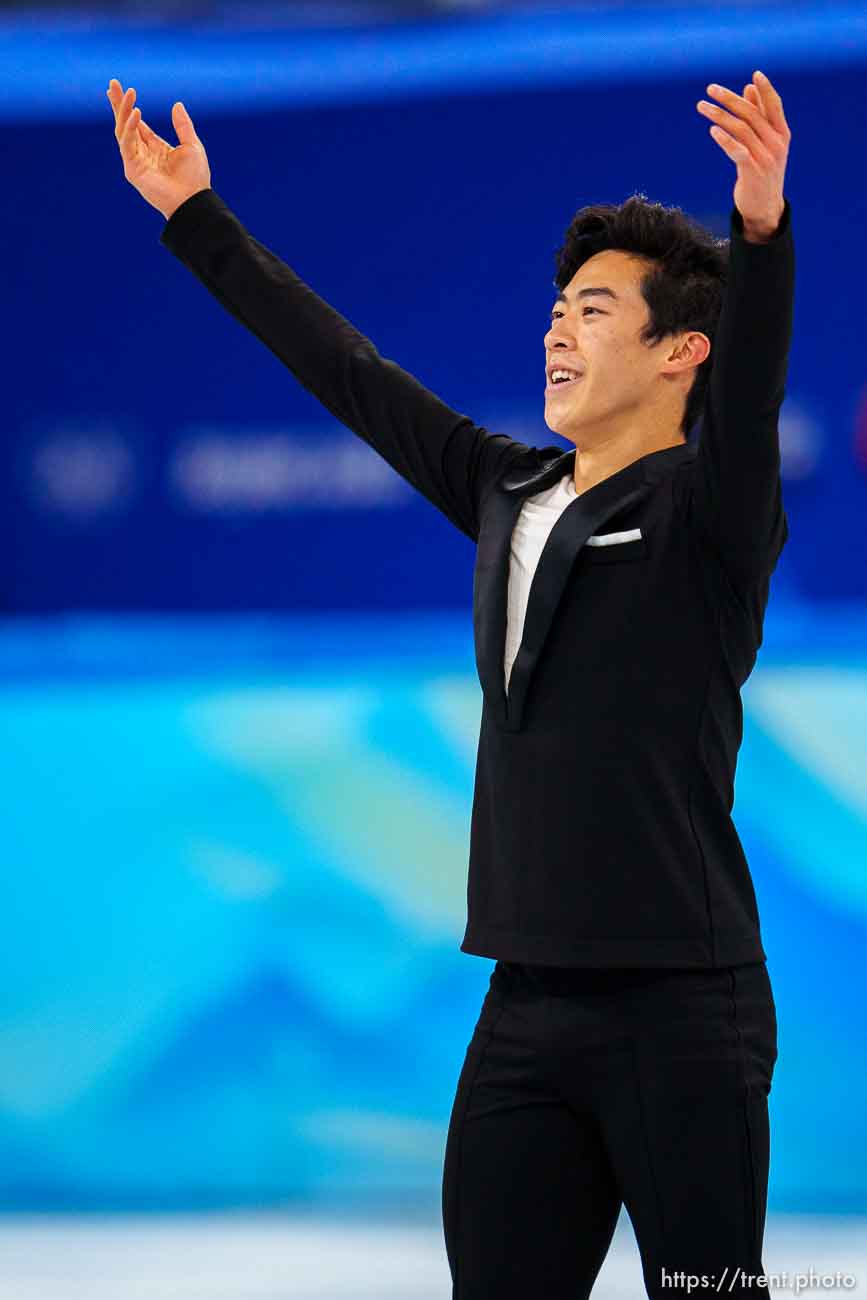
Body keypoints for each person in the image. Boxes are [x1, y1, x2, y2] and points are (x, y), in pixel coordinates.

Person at [107, 68, 794, 1298]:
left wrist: (758, 234)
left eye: (593, 311)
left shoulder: (711, 514)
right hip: (524, 1007)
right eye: (556, 309)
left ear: (681, 352)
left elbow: (749, 399)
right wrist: (195, 217)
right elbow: (351, 372)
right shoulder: (506, 486)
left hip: (684, 1013)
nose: (557, 329)